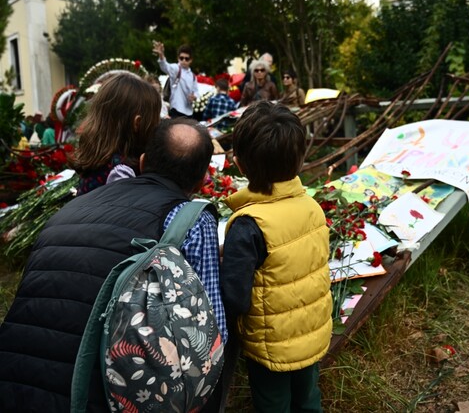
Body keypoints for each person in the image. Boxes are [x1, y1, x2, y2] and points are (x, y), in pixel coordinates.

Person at [0, 118, 226, 412]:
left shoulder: (73, 208)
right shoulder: (190, 220)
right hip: (99, 395)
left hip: (13, 380)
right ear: (201, 181)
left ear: (143, 162)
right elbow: (211, 332)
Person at [220, 101, 332, 412]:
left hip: (269, 347)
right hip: (311, 333)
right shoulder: (312, 207)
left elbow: (235, 298)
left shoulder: (248, 224)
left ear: (240, 165)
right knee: (308, 399)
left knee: (273, 405)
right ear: (300, 159)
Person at [69, 72, 162, 195]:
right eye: (156, 119)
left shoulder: (102, 155)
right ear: (137, 123)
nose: (158, 124)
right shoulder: (121, 172)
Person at [152, 41, 197, 118]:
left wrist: (194, 97)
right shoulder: (176, 69)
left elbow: (196, 91)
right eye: (181, 58)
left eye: (187, 58)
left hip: (189, 112)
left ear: (191, 60)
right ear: (178, 58)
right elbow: (165, 66)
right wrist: (161, 55)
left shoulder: (193, 76)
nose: (183, 60)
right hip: (176, 110)